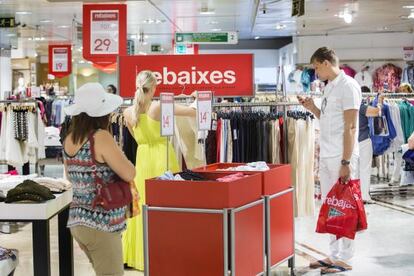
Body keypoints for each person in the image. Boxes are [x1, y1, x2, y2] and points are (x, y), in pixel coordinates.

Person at [122, 70, 197, 270]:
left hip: (142, 159)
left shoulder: (128, 113)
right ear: (154, 86)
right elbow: (192, 112)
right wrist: (196, 99)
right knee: (166, 203)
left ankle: (139, 254)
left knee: (143, 205)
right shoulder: (159, 107)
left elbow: (136, 138)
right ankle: (165, 253)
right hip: (162, 158)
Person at [297, 47, 361, 273]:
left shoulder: (348, 86)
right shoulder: (329, 88)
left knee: (344, 206)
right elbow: (327, 120)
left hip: (341, 157)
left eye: (316, 67)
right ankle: (333, 255)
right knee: (330, 206)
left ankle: (346, 258)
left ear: (326, 63)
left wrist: (346, 162)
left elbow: (351, 127)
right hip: (327, 154)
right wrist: (312, 107)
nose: (316, 72)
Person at [63, 82, 136, 276]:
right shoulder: (100, 137)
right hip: (101, 222)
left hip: (78, 221)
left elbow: (70, 176)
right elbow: (129, 173)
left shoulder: (69, 139)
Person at [358, 87, 385, 203]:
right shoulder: (361, 107)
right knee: (364, 169)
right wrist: (379, 103)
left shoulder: (346, 107)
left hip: (352, 141)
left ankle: (355, 196)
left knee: (355, 170)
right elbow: (376, 112)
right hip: (363, 141)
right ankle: (364, 195)